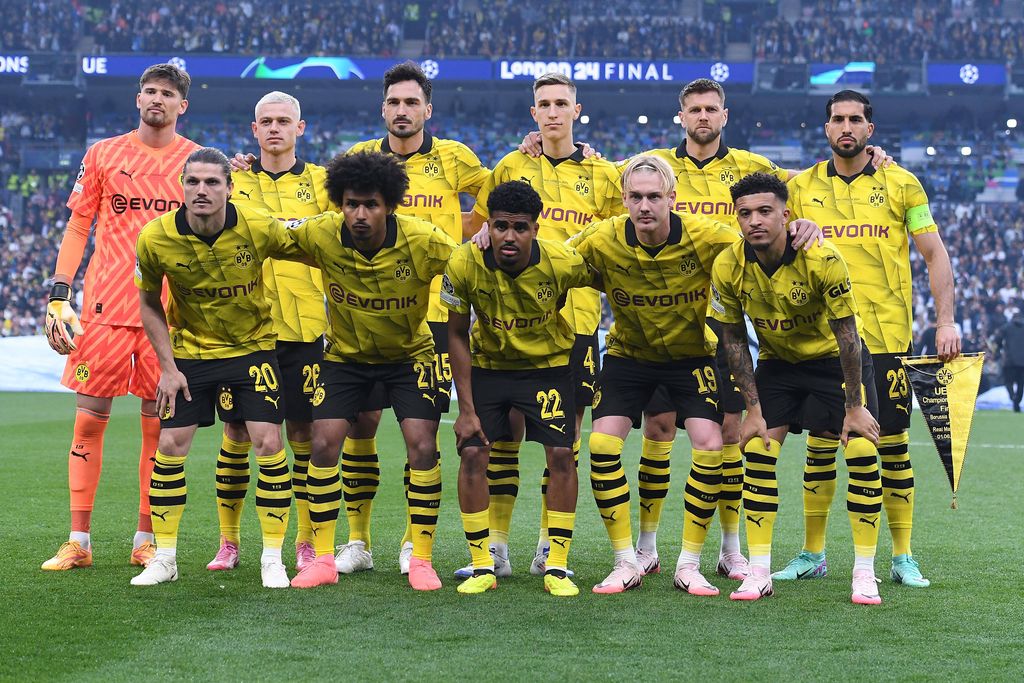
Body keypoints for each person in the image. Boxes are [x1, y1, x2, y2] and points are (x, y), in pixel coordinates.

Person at [568, 156, 820, 594]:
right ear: (624, 199)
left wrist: (804, 224)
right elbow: (548, 260)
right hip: (629, 357)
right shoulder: (601, 238)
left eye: (653, 197)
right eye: (635, 197)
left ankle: (692, 563)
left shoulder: (710, 238)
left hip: (694, 358)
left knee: (713, 445)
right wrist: (483, 235)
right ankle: (628, 559)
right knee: (603, 443)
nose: (644, 206)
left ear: (672, 198)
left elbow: (762, 236)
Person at [776, 90, 960, 588]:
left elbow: (935, 255)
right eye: (837, 119)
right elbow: (726, 179)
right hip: (820, 340)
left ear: (870, 129)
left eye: (855, 119)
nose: (846, 126)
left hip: (884, 337)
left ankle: (902, 557)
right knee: (819, 445)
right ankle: (813, 553)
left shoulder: (903, 184)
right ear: (827, 127)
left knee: (893, 446)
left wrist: (945, 321)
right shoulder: (799, 186)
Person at [465, 72, 624, 578]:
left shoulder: (604, 175)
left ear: (577, 111)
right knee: (503, 440)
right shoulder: (511, 166)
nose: (552, 111)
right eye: (543, 104)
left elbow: (621, 239)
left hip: (574, 325)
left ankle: (545, 546)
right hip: (507, 324)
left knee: (564, 440)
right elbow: (476, 229)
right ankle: (497, 547)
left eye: (561, 103)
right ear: (532, 113)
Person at [41, 63, 200, 571]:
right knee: (88, 423)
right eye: (149, 91)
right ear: (138, 99)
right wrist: (59, 293)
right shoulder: (104, 154)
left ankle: (145, 540)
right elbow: (78, 224)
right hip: (105, 312)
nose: (157, 99)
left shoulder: (196, 160)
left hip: (167, 318)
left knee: (159, 433)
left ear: (182, 105)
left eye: (167, 93)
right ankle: (79, 541)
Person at [338, 61, 490, 575]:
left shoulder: (455, 158)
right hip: (365, 312)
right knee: (360, 426)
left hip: (433, 318)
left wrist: (472, 236)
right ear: (382, 109)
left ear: (428, 109)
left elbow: (495, 200)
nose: (402, 112)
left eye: (411, 103)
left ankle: (411, 541)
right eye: (394, 103)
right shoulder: (359, 160)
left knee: (418, 433)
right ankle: (358, 542)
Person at [130, 147, 307, 587]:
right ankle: (166, 558)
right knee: (170, 443)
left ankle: (271, 557)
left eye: (212, 183)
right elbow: (149, 303)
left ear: (230, 188)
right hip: (190, 354)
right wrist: (168, 368)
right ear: (182, 187)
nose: (202, 190)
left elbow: (311, 246)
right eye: (193, 182)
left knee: (268, 440)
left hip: (252, 350)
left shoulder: (257, 225)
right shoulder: (155, 237)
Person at [285, 151, 459, 591]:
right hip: (346, 358)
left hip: (410, 357)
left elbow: (468, 267)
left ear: (390, 204)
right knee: (322, 443)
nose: (359, 214)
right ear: (339, 204)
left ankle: (420, 558)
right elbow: (263, 235)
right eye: (350, 204)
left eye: (371, 205)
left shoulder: (422, 239)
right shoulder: (322, 233)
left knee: (422, 445)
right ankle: (323, 558)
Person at [710, 172, 884, 605]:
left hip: (834, 364)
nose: (755, 221)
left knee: (861, 450)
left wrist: (854, 405)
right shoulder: (728, 265)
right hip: (778, 364)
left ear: (787, 215)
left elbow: (847, 336)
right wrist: (753, 409)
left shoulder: (822, 258)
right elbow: (732, 340)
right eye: (745, 213)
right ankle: (759, 570)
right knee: (757, 449)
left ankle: (865, 572)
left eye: (765, 211)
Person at [444, 180, 596, 597]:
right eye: (500, 226)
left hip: (547, 369)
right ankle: (482, 564)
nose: (509, 236)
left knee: (562, 455)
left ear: (535, 228)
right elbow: (456, 334)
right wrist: (467, 408)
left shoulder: (562, 262)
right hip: (490, 369)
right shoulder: (463, 263)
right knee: (474, 451)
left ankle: (558, 565)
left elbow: (613, 275)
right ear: (488, 226)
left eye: (520, 227)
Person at [205, 91, 332, 575]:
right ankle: (229, 541)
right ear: (253, 129)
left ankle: (304, 540)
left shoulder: (323, 183)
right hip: (246, 331)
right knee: (236, 431)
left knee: (303, 433)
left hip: (305, 330)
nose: (275, 128)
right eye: (266, 121)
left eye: (284, 121)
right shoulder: (231, 182)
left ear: (301, 128)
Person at [995, 306, 1024, 412]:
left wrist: (1000, 348)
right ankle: (1017, 401)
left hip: (1009, 360)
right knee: (1021, 383)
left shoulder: (1006, 327)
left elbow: (997, 339)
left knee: (1008, 382)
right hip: (1022, 361)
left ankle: (1013, 397)